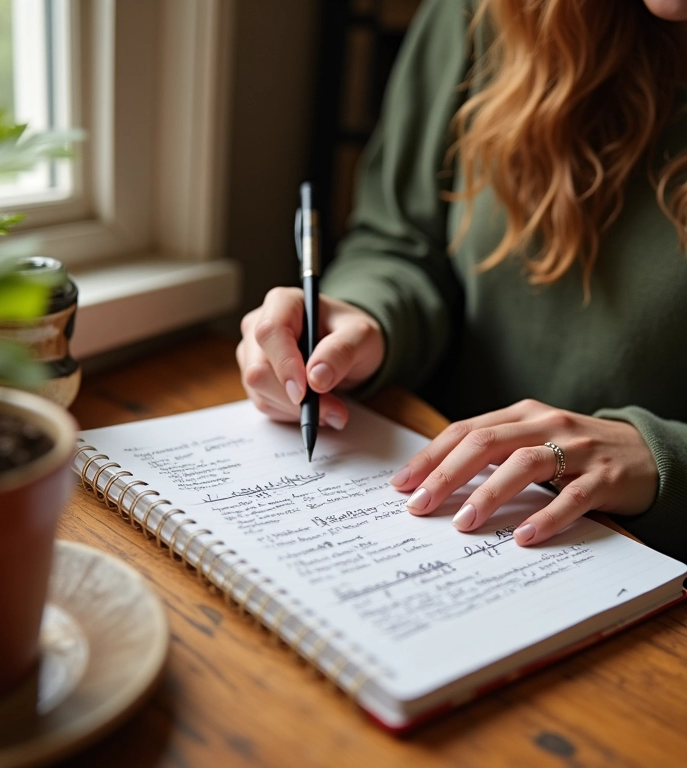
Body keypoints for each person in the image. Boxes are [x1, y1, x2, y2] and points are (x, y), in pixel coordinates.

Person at [236, 0, 687, 563]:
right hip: (454, 506)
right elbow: (399, 240)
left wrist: (667, 458)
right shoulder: (487, 12)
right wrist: (367, 318)